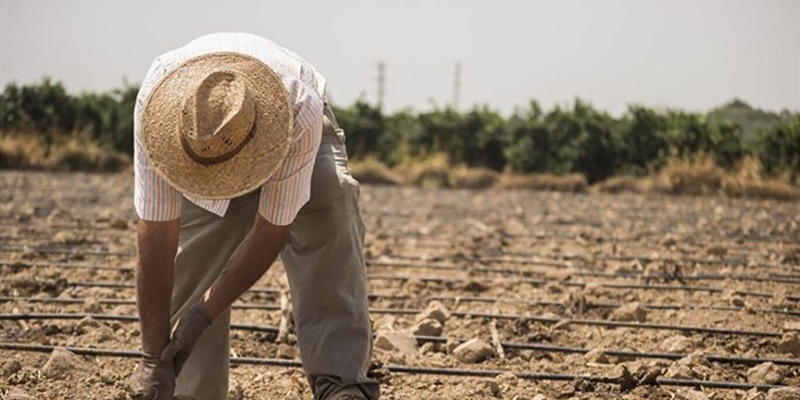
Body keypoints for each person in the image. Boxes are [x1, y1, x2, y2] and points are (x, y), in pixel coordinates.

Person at [127, 32, 378, 400]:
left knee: (330, 213)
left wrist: (202, 315)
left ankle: (341, 383)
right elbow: (157, 239)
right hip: (196, 143)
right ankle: (187, 390)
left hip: (293, 128)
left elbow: (271, 230)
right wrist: (151, 356)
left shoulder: (298, 105)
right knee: (195, 261)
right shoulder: (157, 113)